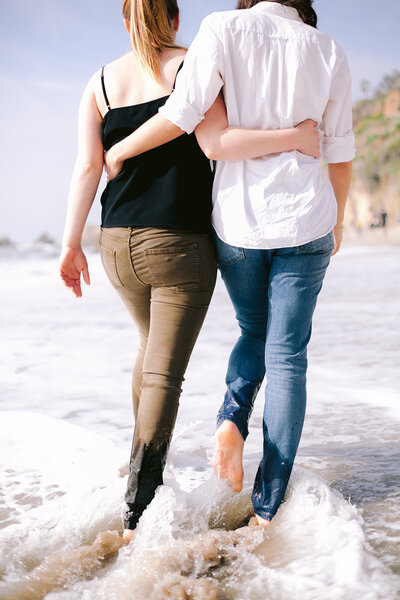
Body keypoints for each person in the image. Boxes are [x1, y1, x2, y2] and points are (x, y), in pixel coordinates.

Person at [59, 0, 321, 542]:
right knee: (163, 373)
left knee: (149, 350)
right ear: (175, 20)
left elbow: (87, 165)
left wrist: (70, 245)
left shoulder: (101, 83)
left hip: (115, 242)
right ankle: (138, 507)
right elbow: (213, 134)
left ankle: (139, 474)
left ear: (125, 19)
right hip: (177, 242)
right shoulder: (192, 64)